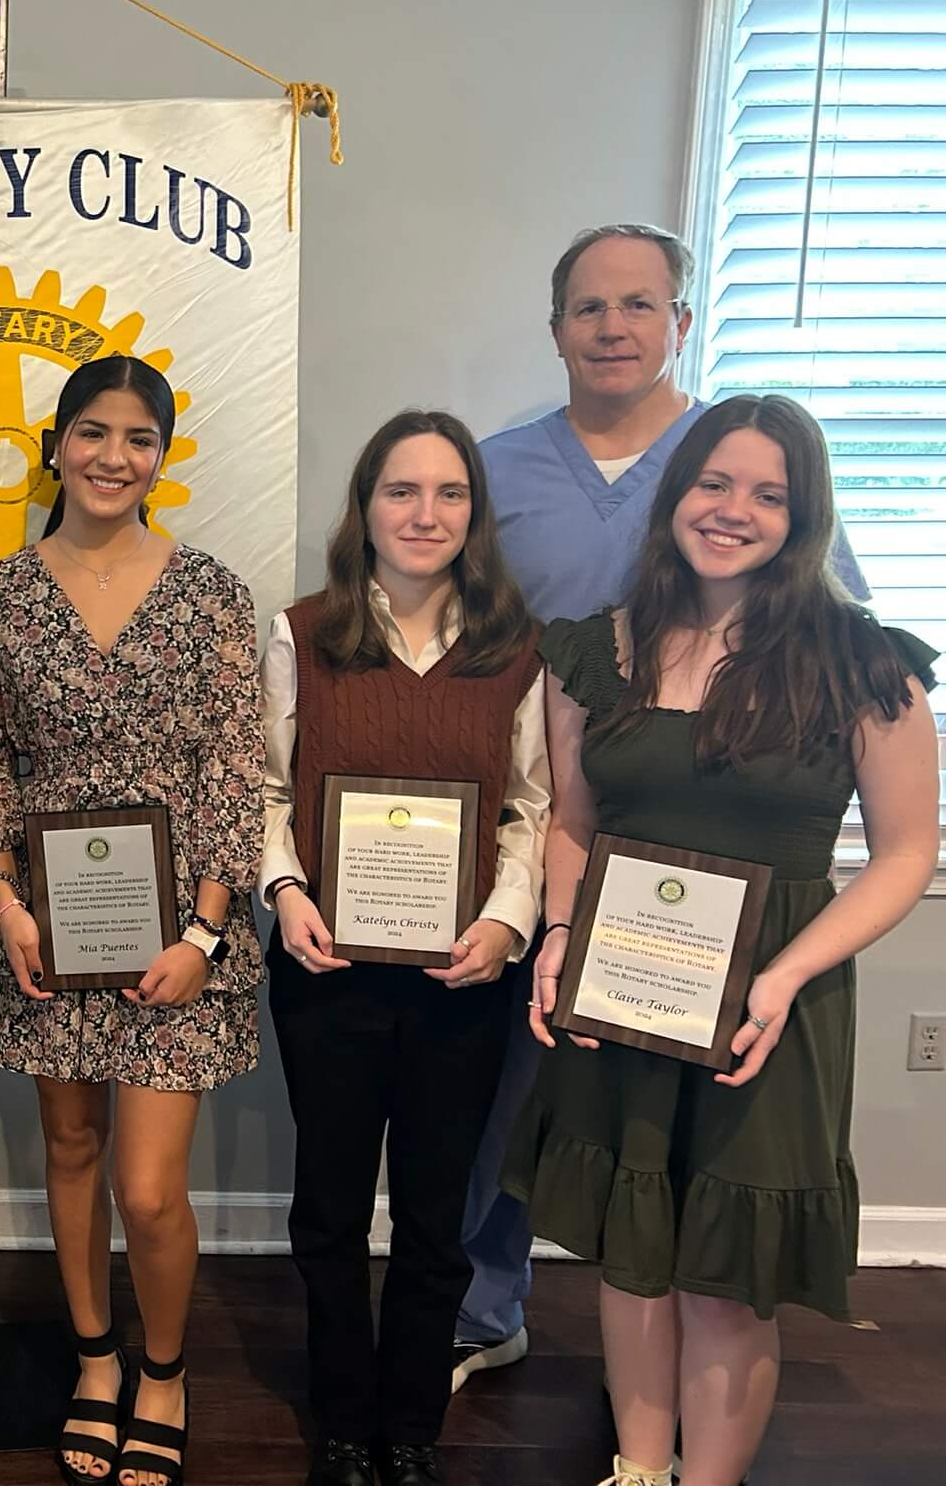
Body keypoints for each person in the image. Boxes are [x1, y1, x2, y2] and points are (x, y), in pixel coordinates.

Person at [457, 223, 870, 1390]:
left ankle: (687, 1367)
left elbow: (838, 641)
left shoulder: (738, 455)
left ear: (678, 323)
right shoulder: (497, 470)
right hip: (556, 829)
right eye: (588, 307)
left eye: (638, 305)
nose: (612, 327)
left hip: (720, 854)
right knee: (518, 1091)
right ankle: (490, 1309)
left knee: (690, 1135)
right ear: (554, 330)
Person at [501, 395, 937, 1486]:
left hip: (768, 1004)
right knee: (631, 1252)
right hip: (624, 984)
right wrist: (558, 935)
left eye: (767, 493)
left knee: (722, 1273)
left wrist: (785, 975)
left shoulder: (861, 663)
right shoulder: (592, 652)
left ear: (803, 515)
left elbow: (901, 853)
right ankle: (637, 1470)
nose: (732, 510)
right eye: (712, 482)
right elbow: (569, 822)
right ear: (674, 493)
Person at [0, 354, 267, 1486]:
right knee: (73, 1147)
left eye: (137, 438)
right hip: (46, 928)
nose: (111, 457)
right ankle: (95, 1358)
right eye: (90, 433)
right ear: (53, 447)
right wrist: (1, 897)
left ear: (161, 456)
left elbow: (237, 768)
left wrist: (205, 936)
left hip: (176, 932)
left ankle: (164, 1367)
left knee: (149, 1186)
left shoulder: (213, 595)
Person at [261, 410, 546, 1486]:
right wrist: (282, 892)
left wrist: (505, 923)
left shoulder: (515, 650)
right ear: (364, 507)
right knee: (327, 1208)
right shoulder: (304, 633)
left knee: (436, 1219)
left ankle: (411, 1426)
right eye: (399, 491)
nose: (423, 514)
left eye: (447, 493)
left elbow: (531, 804)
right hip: (326, 970)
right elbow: (261, 786)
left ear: (472, 512)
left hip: (460, 979)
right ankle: (341, 1417)